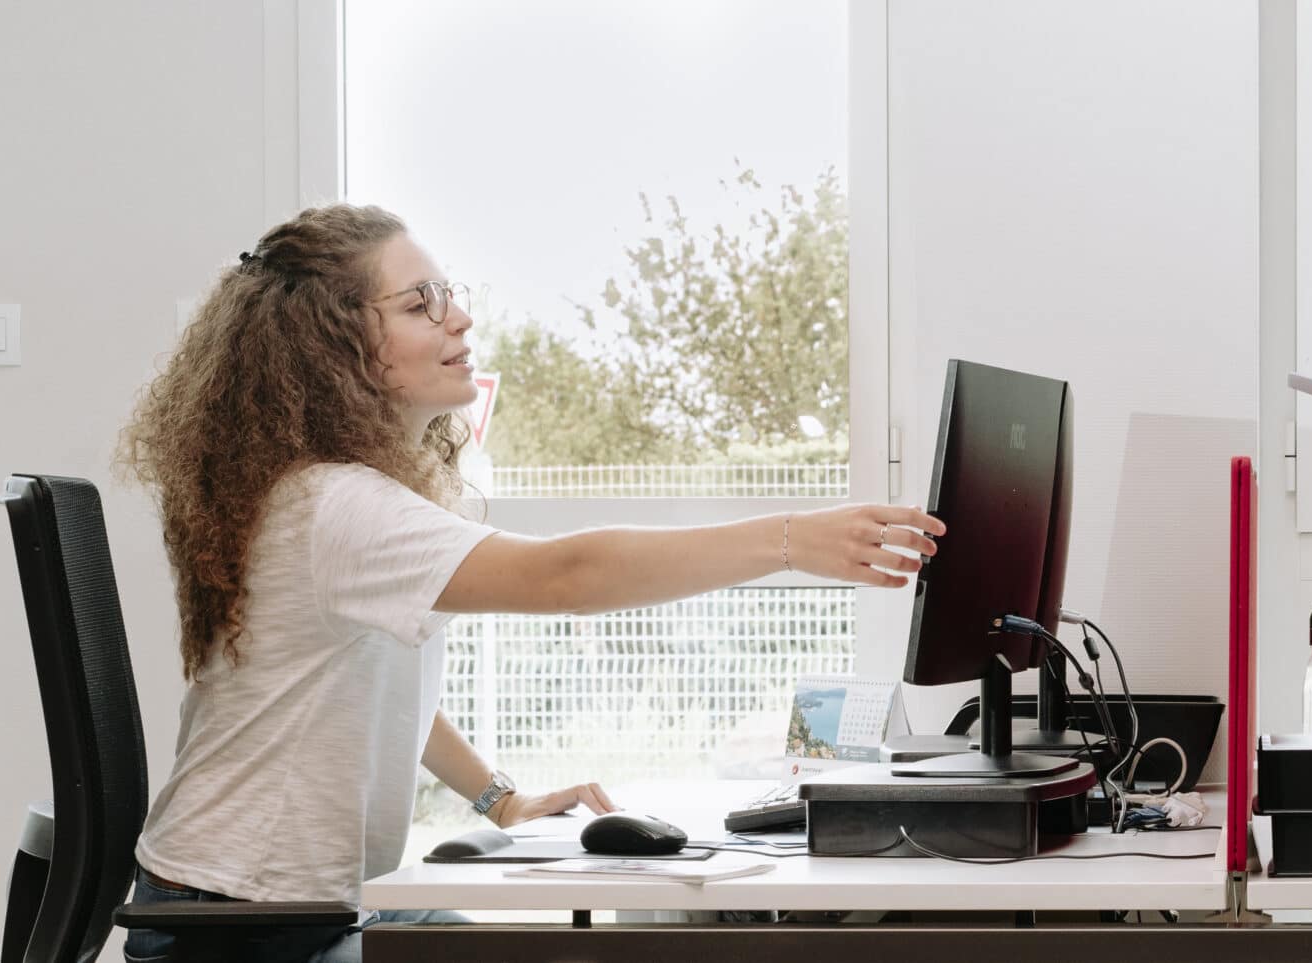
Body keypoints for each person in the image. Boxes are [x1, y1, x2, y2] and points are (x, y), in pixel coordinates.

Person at [115, 204, 943, 963]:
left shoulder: (340, 496)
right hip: (233, 930)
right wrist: (792, 540)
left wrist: (501, 799)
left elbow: (378, 685)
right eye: (419, 303)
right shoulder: (334, 505)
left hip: (283, 909)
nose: (460, 317)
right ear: (329, 344)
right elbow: (565, 575)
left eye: (449, 294)